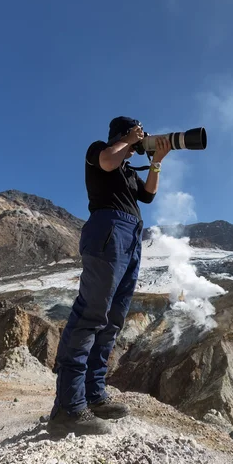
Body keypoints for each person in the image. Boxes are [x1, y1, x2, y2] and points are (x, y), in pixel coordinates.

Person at [47, 117, 171, 436]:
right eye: (136, 132)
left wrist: (156, 161)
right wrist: (129, 140)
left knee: (113, 320)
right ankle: (68, 407)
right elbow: (106, 161)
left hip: (130, 237)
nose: (141, 138)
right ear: (123, 134)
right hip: (108, 231)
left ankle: (94, 396)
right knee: (91, 315)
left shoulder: (128, 170)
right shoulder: (100, 150)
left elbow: (148, 196)